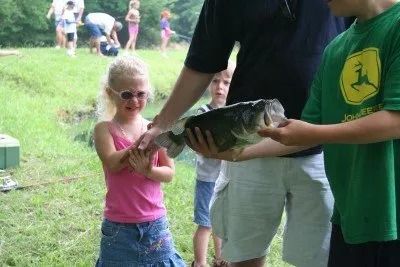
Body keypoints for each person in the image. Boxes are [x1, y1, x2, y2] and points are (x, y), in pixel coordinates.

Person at [136, 1, 349, 266]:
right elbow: (203, 60)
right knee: (244, 255)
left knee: (321, 258)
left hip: (327, 148)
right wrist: (162, 124)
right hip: (246, 143)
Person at [245, 1, 400, 266]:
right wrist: (238, 153)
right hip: (351, 219)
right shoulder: (335, 49)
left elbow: (395, 120)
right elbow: (305, 132)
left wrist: (316, 131)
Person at [93, 55, 185, 266]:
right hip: (119, 226)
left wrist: (148, 171)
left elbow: (169, 173)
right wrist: (144, 141)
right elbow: (113, 162)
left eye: (140, 94)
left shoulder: (155, 128)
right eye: (126, 94)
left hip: (155, 222)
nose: (134, 101)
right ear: (110, 93)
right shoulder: (104, 129)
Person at [192, 63, 235, 267]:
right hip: (207, 180)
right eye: (215, 81)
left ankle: (220, 259)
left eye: (226, 82)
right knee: (205, 224)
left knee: (220, 224)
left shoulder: (233, 112)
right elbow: (198, 145)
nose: (220, 87)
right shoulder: (203, 112)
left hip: (226, 180)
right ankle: (200, 262)